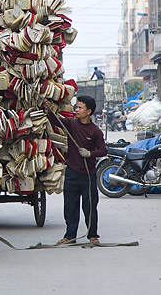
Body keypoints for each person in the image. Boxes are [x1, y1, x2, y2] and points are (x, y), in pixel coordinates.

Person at [48, 95, 107, 245]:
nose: (76, 110)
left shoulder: (95, 131)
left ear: (89, 111)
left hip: (88, 175)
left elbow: (103, 151)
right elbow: (55, 120)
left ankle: (93, 235)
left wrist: (90, 153)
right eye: (76, 107)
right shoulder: (71, 124)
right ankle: (70, 236)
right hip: (72, 173)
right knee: (70, 206)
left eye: (80, 107)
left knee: (90, 207)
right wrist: (47, 108)